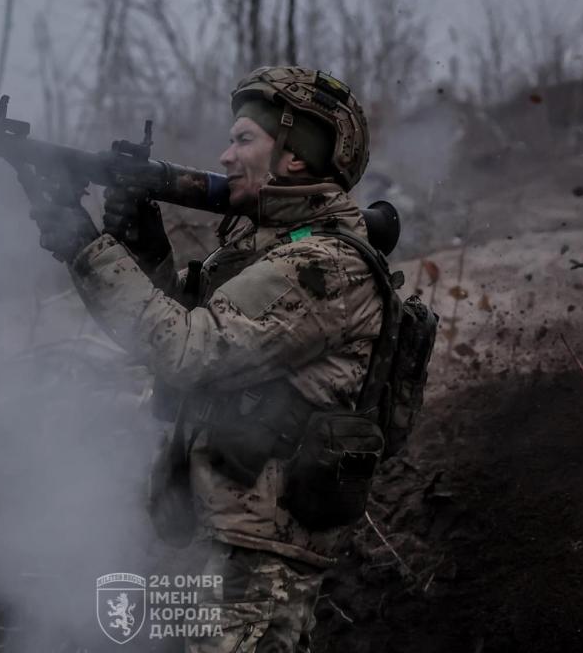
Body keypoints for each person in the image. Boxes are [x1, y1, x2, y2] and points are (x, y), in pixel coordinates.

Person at [27, 66, 384, 652]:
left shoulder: (324, 266)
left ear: (295, 156)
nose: (224, 156)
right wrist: (142, 246)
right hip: (219, 533)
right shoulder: (263, 250)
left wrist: (86, 247)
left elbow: (187, 350)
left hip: (257, 559)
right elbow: (170, 325)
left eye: (244, 139)